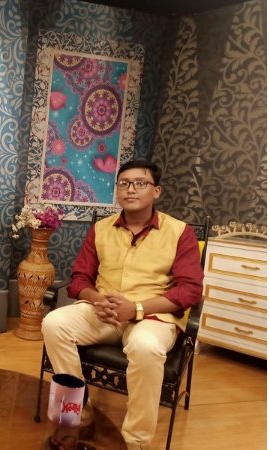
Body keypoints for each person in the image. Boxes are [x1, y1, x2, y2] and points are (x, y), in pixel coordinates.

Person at [41, 160, 204, 450]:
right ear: (117, 190)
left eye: (140, 183)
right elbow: (80, 279)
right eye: (124, 183)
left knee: (146, 347)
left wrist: (137, 308)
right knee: (53, 323)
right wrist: (96, 299)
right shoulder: (101, 228)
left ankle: (135, 441)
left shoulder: (180, 232)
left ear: (156, 191)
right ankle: (76, 409)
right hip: (102, 312)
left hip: (152, 316)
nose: (131, 189)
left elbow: (190, 290)